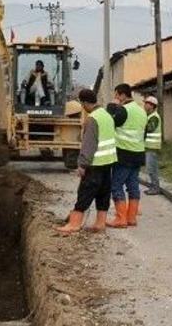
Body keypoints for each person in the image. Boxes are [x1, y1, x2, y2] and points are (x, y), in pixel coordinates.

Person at [56, 88, 116, 234]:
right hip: (108, 162)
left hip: (94, 164)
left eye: (81, 103)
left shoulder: (92, 119)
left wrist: (82, 164)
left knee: (85, 193)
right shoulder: (106, 115)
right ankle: (100, 223)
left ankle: (74, 224)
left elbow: (89, 144)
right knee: (103, 193)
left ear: (84, 103)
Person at [107, 83, 147, 228]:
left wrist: (112, 107)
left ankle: (120, 219)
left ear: (123, 95)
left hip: (124, 154)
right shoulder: (142, 111)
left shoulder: (123, 110)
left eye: (117, 95)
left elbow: (111, 123)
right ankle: (131, 218)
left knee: (116, 185)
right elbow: (145, 133)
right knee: (133, 186)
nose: (116, 98)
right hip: (138, 154)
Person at [143, 96, 162, 195]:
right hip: (149, 147)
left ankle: (155, 188)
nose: (144, 105)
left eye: (146, 103)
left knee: (152, 168)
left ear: (151, 105)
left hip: (152, 147)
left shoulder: (154, 117)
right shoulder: (149, 116)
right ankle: (154, 186)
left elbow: (149, 128)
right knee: (150, 167)